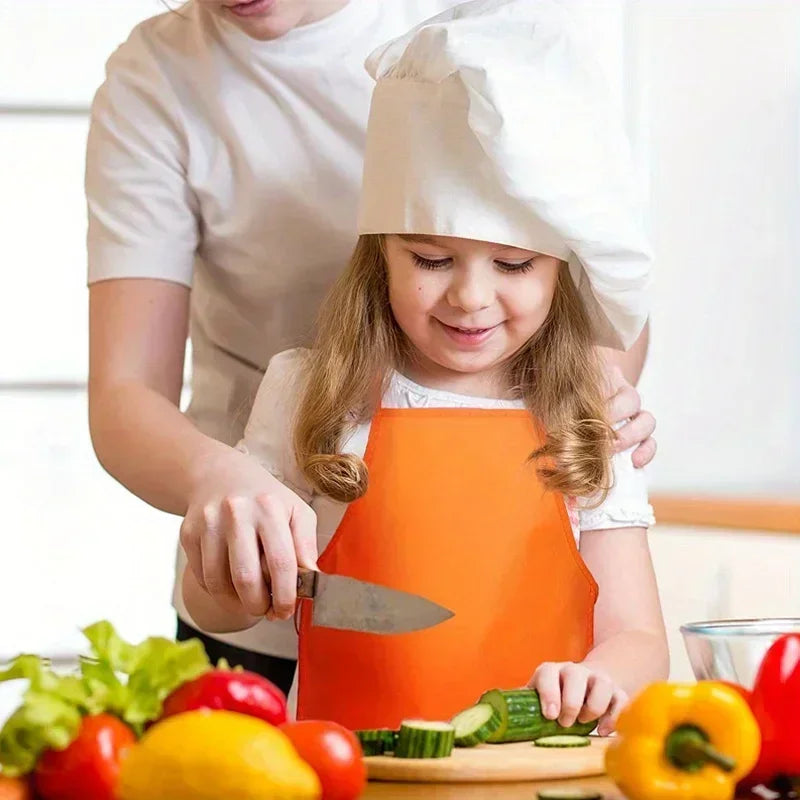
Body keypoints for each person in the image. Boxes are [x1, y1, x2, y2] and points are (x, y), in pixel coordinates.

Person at [86, 0, 656, 698]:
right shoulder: (159, 77)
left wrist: (597, 391)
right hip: (291, 656)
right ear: (380, 257)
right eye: (429, 258)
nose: (471, 298)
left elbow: (636, 635)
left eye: (511, 265)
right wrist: (224, 507)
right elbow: (126, 397)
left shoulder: (489, 25)